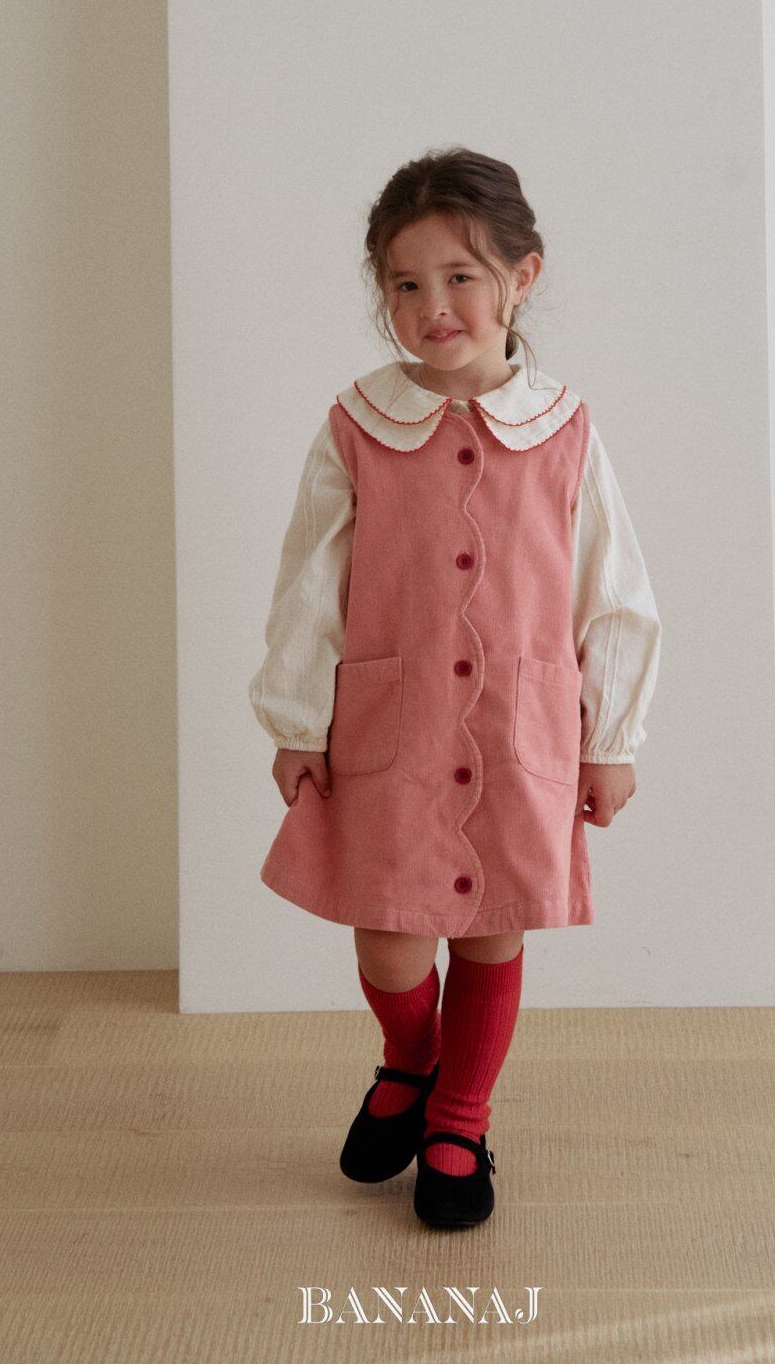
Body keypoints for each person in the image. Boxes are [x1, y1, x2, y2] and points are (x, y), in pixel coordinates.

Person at [249, 146, 661, 1228]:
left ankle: (460, 1118)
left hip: (520, 723)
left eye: (460, 276)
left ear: (522, 277)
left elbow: (613, 589)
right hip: (393, 725)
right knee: (388, 933)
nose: (432, 306)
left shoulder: (565, 428)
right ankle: (411, 1059)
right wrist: (295, 719)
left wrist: (611, 738)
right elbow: (309, 583)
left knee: (490, 927)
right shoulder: (358, 426)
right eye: (404, 282)